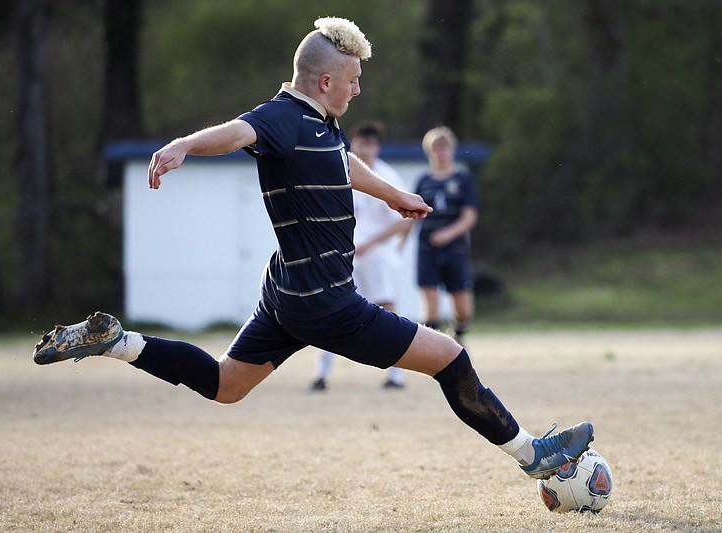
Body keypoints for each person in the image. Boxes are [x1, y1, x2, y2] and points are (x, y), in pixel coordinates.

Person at [33, 17, 593, 481]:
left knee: (227, 385)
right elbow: (237, 132)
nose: (358, 90)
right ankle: (532, 457)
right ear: (325, 80)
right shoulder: (281, 117)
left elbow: (344, 166)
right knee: (451, 358)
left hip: (289, 294)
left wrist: (396, 194)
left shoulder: (320, 126)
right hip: (326, 301)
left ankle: (115, 341)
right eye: (352, 80)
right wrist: (181, 145)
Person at [310, 121, 408, 391]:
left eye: (371, 144)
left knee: (386, 308)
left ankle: (396, 375)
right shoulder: (340, 172)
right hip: (346, 253)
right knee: (331, 306)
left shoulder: (387, 176)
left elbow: (403, 221)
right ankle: (321, 374)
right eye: (361, 143)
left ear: (378, 147)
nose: (365, 149)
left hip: (377, 255)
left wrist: (377, 245)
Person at [412, 126, 477, 346]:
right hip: (427, 246)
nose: (441, 153)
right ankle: (435, 347)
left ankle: (458, 333)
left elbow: (469, 217)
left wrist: (447, 234)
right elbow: (411, 213)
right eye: (436, 149)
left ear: (452, 151)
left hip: (454, 247)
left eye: (444, 148)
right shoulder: (423, 181)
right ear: (429, 152)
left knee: (463, 307)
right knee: (430, 301)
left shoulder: (462, 179)